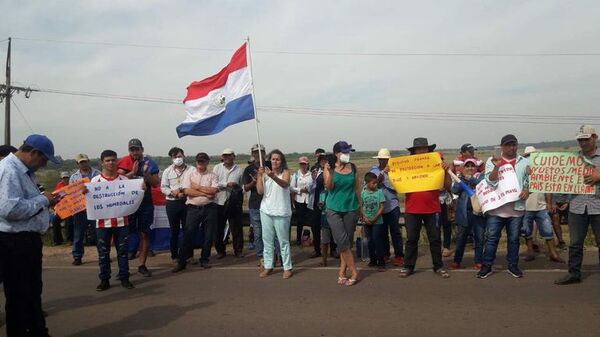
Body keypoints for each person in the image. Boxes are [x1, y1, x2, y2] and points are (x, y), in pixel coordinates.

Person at [0, 134, 62, 337]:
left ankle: (37, 331)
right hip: (15, 243)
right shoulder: (9, 171)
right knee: (20, 296)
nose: (43, 165)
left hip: (26, 241)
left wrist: (47, 200)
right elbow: (10, 209)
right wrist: (44, 201)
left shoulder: (24, 172)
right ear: (33, 153)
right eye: (43, 160)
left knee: (31, 294)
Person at [477, 134, 529, 279]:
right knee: (492, 238)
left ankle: (513, 265)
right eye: (508, 145)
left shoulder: (524, 162)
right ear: (502, 147)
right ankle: (486, 266)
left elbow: (528, 182)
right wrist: (497, 166)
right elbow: (490, 181)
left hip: (516, 209)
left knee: (514, 239)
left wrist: (527, 190)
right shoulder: (491, 162)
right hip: (497, 208)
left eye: (514, 144)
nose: (512, 147)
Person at [399, 138, 451, 279]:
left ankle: (438, 266)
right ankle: (408, 266)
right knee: (411, 239)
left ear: (428, 150)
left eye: (424, 148)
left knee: (434, 239)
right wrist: (388, 171)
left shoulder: (436, 163)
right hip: (412, 209)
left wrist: (446, 171)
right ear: (414, 151)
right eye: (419, 149)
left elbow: (447, 186)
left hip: (432, 208)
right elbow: (396, 180)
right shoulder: (407, 166)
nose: (421, 151)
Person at [555, 125, 600, 285]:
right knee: (575, 243)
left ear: (595, 137)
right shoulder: (573, 159)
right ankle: (573, 273)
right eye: (580, 140)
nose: (583, 143)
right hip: (577, 205)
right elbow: (560, 179)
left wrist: (599, 177)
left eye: (586, 139)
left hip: (598, 206)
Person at [90, 150, 135, 291]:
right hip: (102, 223)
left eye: (113, 160)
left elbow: (133, 197)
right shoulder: (95, 181)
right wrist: (84, 192)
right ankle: (104, 279)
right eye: (108, 160)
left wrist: (140, 189)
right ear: (102, 162)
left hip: (122, 222)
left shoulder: (125, 180)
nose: (111, 163)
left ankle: (124, 277)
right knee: (103, 253)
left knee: (123, 251)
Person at [117, 138, 160, 277]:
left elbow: (155, 184)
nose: (135, 152)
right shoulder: (123, 162)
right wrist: (133, 173)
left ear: (142, 149)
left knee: (144, 233)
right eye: (132, 149)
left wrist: (146, 174)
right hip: (128, 203)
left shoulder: (149, 162)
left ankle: (142, 265)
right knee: (124, 235)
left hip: (145, 203)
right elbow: (117, 182)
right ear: (129, 150)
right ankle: (123, 268)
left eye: (137, 149)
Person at [172, 152, 219, 272]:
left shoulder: (213, 175)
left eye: (203, 161)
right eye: (199, 161)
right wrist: (204, 193)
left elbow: (213, 191)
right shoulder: (189, 174)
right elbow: (187, 191)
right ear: (196, 162)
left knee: (208, 236)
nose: (200, 163)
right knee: (188, 234)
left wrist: (197, 187)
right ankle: (182, 261)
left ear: (207, 162)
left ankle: (204, 259)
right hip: (193, 208)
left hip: (209, 208)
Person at [324, 141, 362, 286]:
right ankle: (354, 272)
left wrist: (360, 207)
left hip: (351, 208)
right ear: (336, 154)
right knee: (341, 241)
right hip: (333, 208)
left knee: (347, 241)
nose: (347, 154)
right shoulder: (329, 168)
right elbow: (329, 187)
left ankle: (341, 272)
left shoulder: (353, 167)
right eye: (344, 152)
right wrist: (331, 173)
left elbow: (357, 188)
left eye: (348, 152)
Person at [520, 146, 565, 263]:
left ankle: (553, 253)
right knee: (527, 231)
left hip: (541, 206)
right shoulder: (522, 171)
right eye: (528, 156)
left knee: (547, 230)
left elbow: (547, 187)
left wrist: (549, 203)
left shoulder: (542, 170)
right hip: (526, 206)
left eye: (532, 156)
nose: (530, 158)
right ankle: (530, 251)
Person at [256, 149, 294, 279]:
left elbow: (285, 184)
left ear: (282, 161)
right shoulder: (264, 174)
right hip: (266, 210)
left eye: (278, 159)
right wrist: (260, 176)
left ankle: (287, 267)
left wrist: (273, 176)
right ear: (269, 160)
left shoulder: (286, 172)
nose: (275, 161)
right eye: (273, 159)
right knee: (267, 241)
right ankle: (268, 266)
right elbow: (260, 191)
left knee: (283, 241)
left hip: (281, 211)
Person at [369, 148, 404, 266]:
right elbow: (371, 183)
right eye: (381, 159)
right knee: (382, 232)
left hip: (392, 205)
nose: (383, 161)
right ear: (378, 159)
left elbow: (398, 187)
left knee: (395, 232)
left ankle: (399, 255)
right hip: (379, 207)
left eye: (385, 159)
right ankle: (385, 253)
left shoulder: (395, 171)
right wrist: (383, 173)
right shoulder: (374, 170)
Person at [449, 158, 486, 270]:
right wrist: (462, 180)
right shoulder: (459, 179)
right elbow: (454, 190)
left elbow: (481, 186)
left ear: (476, 168)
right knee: (461, 239)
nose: (470, 168)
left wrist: (471, 180)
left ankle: (478, 261)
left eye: (472, 166)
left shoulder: (481, 178)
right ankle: (457, 261)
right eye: (467, 166)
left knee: (479, 238)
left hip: (478, 214)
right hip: (464, 214)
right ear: (464, 168)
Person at [161, 147, 193, 263]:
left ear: (184, 156)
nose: (178, 159)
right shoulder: (167, 171)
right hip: (172, 203)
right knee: (174, 231)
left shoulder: (191, 169)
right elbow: (163, 187)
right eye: (175, 157)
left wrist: (184, 191)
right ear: (171, 158)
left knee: (188, 230)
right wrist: (172, 192)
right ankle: (175, 256)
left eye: (179, 156)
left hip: (187, 202)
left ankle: (189, 255)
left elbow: (194, 183)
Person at [213, 148, 244, 258]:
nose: (226, 158)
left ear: (233, 156)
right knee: (219, 229)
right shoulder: (217, 168)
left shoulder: (239, 170)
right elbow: (214, 183)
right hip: (219, 202)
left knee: (236, 228)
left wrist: (236, 187)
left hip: (233, 203)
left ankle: (238, 250)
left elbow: (242, 186)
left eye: (228, 155)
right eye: (224, 156)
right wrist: (227, 184)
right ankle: (220, 251)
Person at [70, 153, 100, 265]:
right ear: (77, 163)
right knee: (78, 234)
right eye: (81, 162)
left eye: (85, 161)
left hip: (95, 208)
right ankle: (77, 256)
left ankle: (102, 254)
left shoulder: (97, 174)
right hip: (80, 210)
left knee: (99, 233)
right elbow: (71, 194)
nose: (84, 163)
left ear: (88, 161)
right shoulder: (73, 177)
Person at [243, 144, 267, 265]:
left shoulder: (270, 166)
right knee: (258, 233)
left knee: (270, 233)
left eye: (260, 152)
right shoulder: (248, 169)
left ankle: (271, 255)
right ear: (252, 154)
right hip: (255, 205)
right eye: (255, 153)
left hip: (269, 204)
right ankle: (261, 257)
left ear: (264, 153)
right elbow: (245, 188)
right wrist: (254, 181)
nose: (258, 155)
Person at [361, 172, 386, 271]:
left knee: (377, 240)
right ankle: (373, 260)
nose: (375, 185)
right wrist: (364, 218)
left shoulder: (379, 192)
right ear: (367, 183)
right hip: (367, 221)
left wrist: (375, 218)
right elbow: (361, 206)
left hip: (377, 221)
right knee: (370, 241)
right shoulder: (363, 193)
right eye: (373, 183)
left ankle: (381, 262)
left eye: (376, 183)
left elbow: (382, 206)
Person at [290, 156, 313, 245]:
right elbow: (291, 188)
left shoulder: (311, 175)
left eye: (304, 164)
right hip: (299, 200)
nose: (303, 166)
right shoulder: (296, 174)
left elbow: (312, 187)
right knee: (300, 221)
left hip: (308, 201)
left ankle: (310, 239)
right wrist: (300, 190)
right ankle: (298, 239)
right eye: (301, 164)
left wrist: (307, 190)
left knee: (311, 221)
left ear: (307, 165)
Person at [308, 153, 327, 258]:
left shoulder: (331, 172)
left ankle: (333, 249)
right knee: (315, 227)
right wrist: (313, 179)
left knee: (329, 227)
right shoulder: (315, 172)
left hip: (328, 203)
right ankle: (317, 250)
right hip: (315, 203)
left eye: (326, 160)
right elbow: (309, 189)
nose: (324, 163)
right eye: (322, 161)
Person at [49, 171, 71, 246]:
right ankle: (58, 240)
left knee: (69, 221)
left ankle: (70, 240)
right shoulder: (59, 186)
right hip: (62, 209)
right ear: (61, 179)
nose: (65, 179)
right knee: (54, 221)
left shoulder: (72, 185)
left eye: (66, 178)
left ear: (69, 178)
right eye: (64, 178)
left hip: (71, 209)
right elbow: (56, 196)